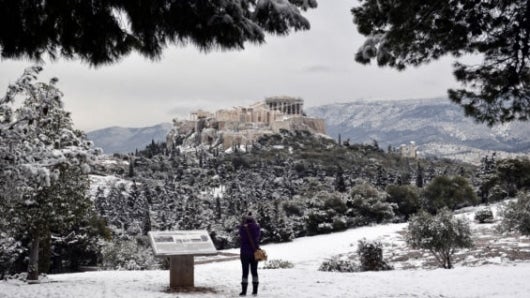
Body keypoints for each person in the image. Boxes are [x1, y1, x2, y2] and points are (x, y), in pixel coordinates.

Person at [239, 212, 261, 296]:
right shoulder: (257, 227)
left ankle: (244, 291)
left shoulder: (242, 228)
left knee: (245, 272)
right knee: (254, 271)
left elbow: (241, 236)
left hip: (244, 253)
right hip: (255, 252)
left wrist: (243, 224)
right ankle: (255, 291)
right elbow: (258, 236)